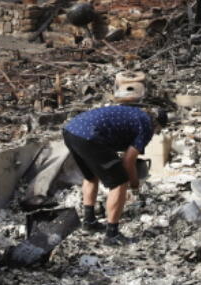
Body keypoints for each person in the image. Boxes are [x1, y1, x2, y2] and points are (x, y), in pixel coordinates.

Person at [62, 85, 167, 245]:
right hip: (89, 136)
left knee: (91, 176)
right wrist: (134, 185)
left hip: (71, 130)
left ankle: (89, 222)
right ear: (157, 124)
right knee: (119, 183)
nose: (155, 134)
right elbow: (128, 161)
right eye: (158, 131)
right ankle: (112, 235)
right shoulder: (146, 126)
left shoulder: (134, 114)